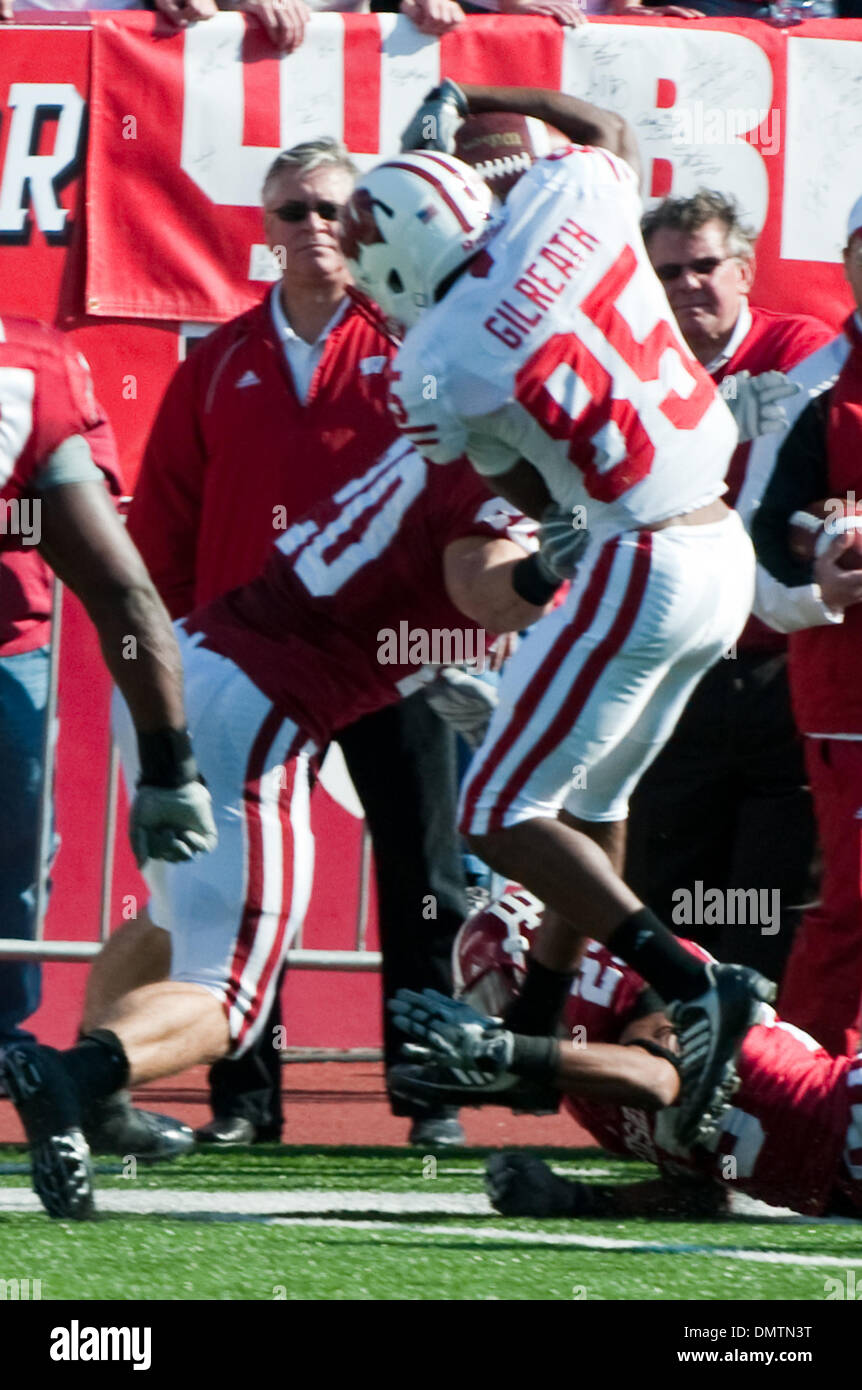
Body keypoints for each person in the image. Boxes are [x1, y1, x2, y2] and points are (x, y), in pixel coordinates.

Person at [343, 83, 771, 1147]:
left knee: (492, 811)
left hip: (642, 552)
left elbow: (527, 492)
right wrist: (481, 95)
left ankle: (691, 979)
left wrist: (553, 499)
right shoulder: (569, 197)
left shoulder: (435, 358)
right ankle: (539, 1017)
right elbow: (608, 135)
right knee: (594, 797)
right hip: (723, 548)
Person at [5, 434, 551, 1219]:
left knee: (172, 922)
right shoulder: (502, 472)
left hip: (191, 669)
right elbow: (484, 583)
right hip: (257, 708)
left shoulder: (441, 451)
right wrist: (551, 562)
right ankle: (73, 1077)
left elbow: (404, 582)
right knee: (231, 997)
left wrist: (438, 657)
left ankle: (100, 1106)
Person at [116, 137, 472, 1148]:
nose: (315, 227)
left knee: (423, 872)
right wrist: (183, 654)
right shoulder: (216, 362)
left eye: (332, 209)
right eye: (293, 211)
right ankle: (244, 1100)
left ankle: (430, 1091)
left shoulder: (418, 351)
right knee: (235, 884)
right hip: (247, 664)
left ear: (363, 227)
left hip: (391, 656)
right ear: (263, 231)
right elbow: (165, 533)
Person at [0, 315, 217, 1213]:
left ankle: (39, 1076)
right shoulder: (27, 365)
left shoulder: (30, 364)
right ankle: (48, 1078)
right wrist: (169, 765)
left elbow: (126, 587)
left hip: (8, 648)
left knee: (13, 882)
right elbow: (120, 587)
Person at [625, 191, 836, 983]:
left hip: (786, 668)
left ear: (744, 271)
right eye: (668, 270)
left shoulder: (805, 355)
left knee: (773, 898)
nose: (687, 284)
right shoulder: (630, 370)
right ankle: (677, 1077)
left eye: (705, 265)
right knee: (673, 897)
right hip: (673, 671)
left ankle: (763, 1083)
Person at [389, 888, 862, 1221]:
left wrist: (505, 1050)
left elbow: (657, 1079)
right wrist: (581, 1200)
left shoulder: (614, 981)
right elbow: (698, 1195)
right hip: (842, 1189)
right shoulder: (588, 1093)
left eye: (494, 995)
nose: (495, 1014)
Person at [750, 194, 862, 1056]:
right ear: (848, 259)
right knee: (853, 904)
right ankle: (802, 1101)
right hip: (848, 696)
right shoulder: (813, 390)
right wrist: (822, 577)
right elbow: (755, 547)